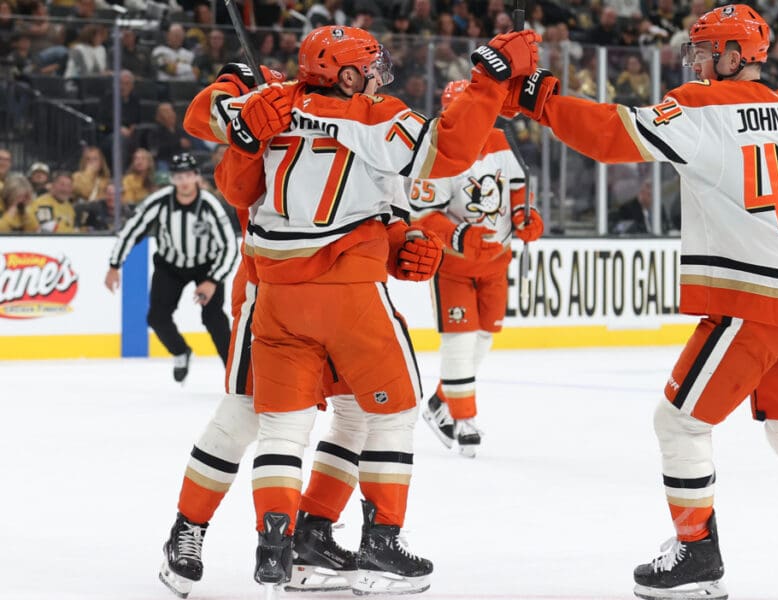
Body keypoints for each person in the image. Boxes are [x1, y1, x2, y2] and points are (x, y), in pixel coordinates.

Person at [503, 5, 778, 599]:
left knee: (680, 423)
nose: (698, 62)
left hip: (753, 300)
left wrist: (541, 98)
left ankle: (696, 557)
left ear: (735, 55)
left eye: (707, 51)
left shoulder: (702, 105)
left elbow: (613, 135)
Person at [204, 25, 539, 591]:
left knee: (286, 426)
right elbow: (444, 152)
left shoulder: (271, 107)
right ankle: (380, 543)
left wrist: (231, 107)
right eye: (370, 68)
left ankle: (282, 546)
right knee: (394, 409)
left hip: (278, 295)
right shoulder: (371, 116)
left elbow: (234, 183)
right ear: (348, 74)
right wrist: (490, 82)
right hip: (344, 289)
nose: (380, 78)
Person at [157, 61, 445, 599]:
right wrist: (244, 131)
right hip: (271, 282)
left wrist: (402, 241)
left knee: (357, 411)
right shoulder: (267, 85)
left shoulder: (355, 113)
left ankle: (311, 532)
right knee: (247, 413)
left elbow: (376, 207)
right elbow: (228, 171)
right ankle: (188, 530)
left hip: (339, 290)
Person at [410, 79, 543, 458]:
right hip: (453, 266)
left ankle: (439, 403)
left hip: (496, 262)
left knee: (483, 338)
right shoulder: (435, 153)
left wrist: (524, 216)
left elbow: (518, 187)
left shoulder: (500, 141)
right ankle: (462, 419)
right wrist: (458, 235)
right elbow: (421, 215)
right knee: (460, 340)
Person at [105, 152, 238, 383]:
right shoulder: (160, 201)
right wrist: (114, 265)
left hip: (206, 266)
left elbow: (229, 246)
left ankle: (234, 374)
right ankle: (180, 352)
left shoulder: (209, 205)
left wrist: (213, 280)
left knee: (214, 318)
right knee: (157, 317)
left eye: (188, 175)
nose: (184, 181)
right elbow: (132, 230)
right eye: (178, 176)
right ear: (171, 179)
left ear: (197, 177)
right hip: (170, 265)